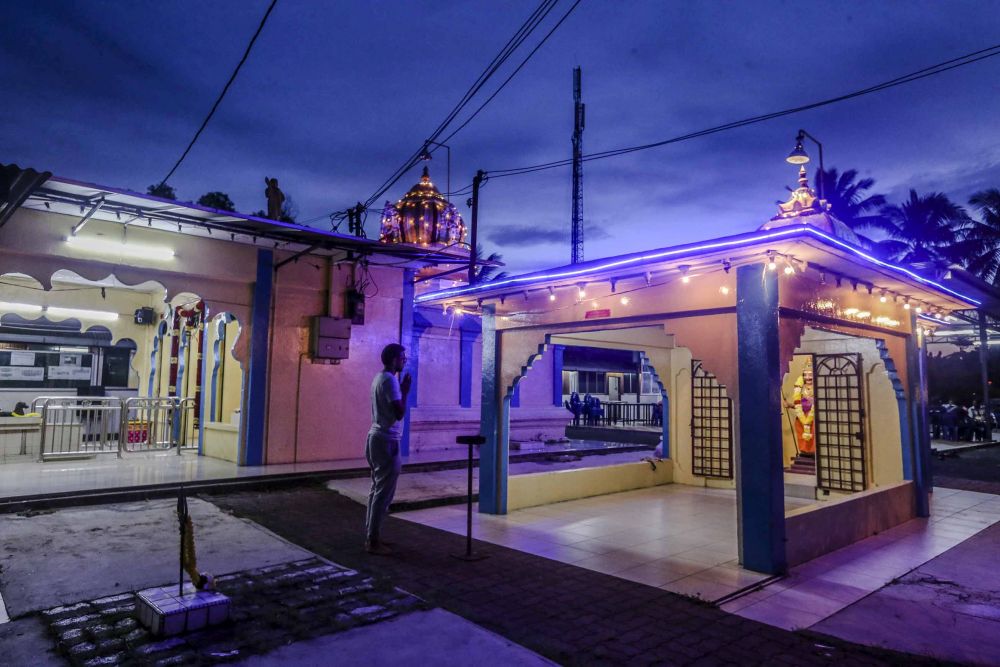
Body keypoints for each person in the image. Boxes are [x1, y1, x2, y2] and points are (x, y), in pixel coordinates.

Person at [364, 343, 411, 555]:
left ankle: (372, 535)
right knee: (383, 493)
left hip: (375, 437)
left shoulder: (378, 378)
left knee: (377, 490)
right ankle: (373, 541)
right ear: (393, 359)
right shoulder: (391, 381)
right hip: (386, 440)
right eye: (402, 357)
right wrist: (405, 391)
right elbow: (399, 413)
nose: (404, 360)